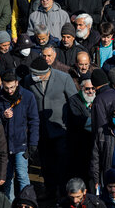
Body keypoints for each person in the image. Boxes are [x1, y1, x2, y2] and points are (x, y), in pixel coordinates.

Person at [23, 56, 77, 198]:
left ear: (44, 73)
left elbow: (74, 103)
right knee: (46, 164)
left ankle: (64, 191)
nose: (33, 77)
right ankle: (50, 190)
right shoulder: (29, 81)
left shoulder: (63, 78)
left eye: (36, 74)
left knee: (62, 163)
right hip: (41, 131)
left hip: (61, 129)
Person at [0, 71, 39, 200]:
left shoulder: (28, 97)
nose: (10, 90)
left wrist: (33, 143)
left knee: (22, 175)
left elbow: (34, 121)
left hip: (21, 143)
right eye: (6, 88)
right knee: (7, 177)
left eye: (12, 87)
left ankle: (27, 203)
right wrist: (3, 115)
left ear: (17, 83)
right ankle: (9, 206)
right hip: (4, 144)